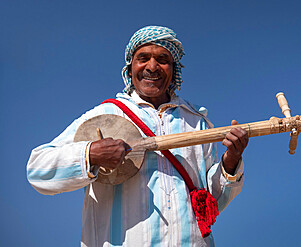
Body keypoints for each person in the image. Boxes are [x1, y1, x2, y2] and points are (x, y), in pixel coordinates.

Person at [27, 26, 249, 247]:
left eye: (163, 59)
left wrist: (230, 161)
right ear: (130, 66)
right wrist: (90, 154)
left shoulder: (197, 122)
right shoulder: (106, 114)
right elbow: (37, 169)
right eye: (143, 58)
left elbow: (212, 203)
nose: (152, 67)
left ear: (174, 69)